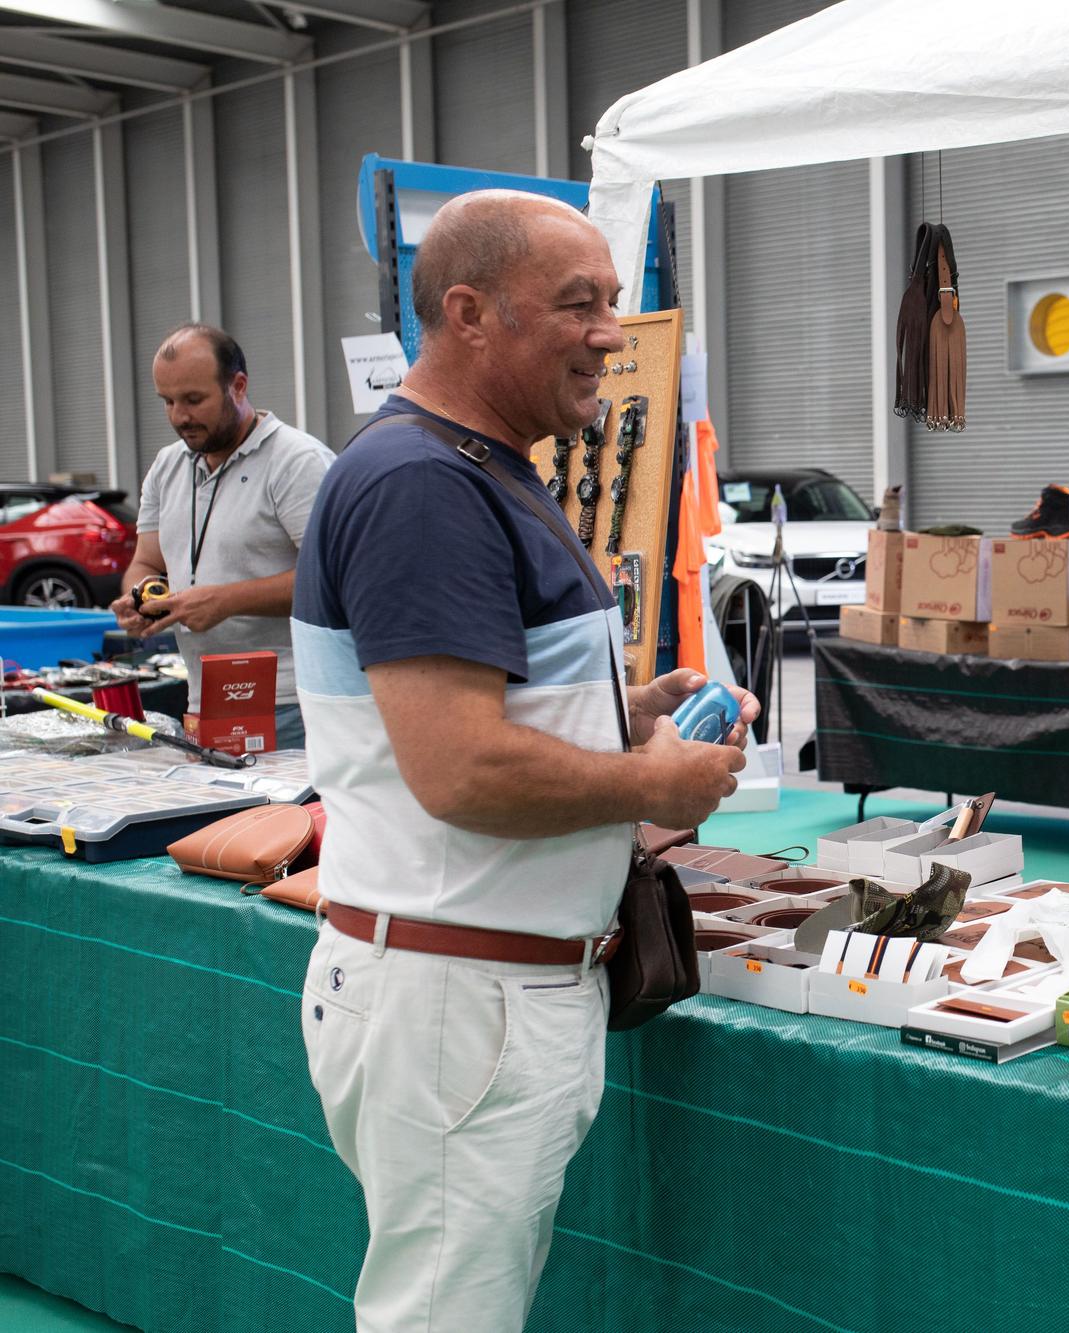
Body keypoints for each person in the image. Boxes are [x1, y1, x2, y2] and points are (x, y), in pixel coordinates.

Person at [291, 189, 757, 1333]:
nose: (611, 331)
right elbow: (462, 771)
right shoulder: (423, 486)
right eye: (578, 304)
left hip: (475, 991)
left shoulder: (477, 469)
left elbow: (462, 717)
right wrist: (654, 783)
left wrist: (621, 707)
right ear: (468, 313)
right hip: (463, 996)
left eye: (613, 300)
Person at [117, 324, 334, 750]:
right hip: (205, 702)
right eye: (168, 401)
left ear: (238, 386)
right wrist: (138, 600)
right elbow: (145, 562)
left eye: (195, 400)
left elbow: (334, 579)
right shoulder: (168, 466)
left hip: (292, 703)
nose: (180, 416)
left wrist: (224, 601)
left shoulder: (297, 462)